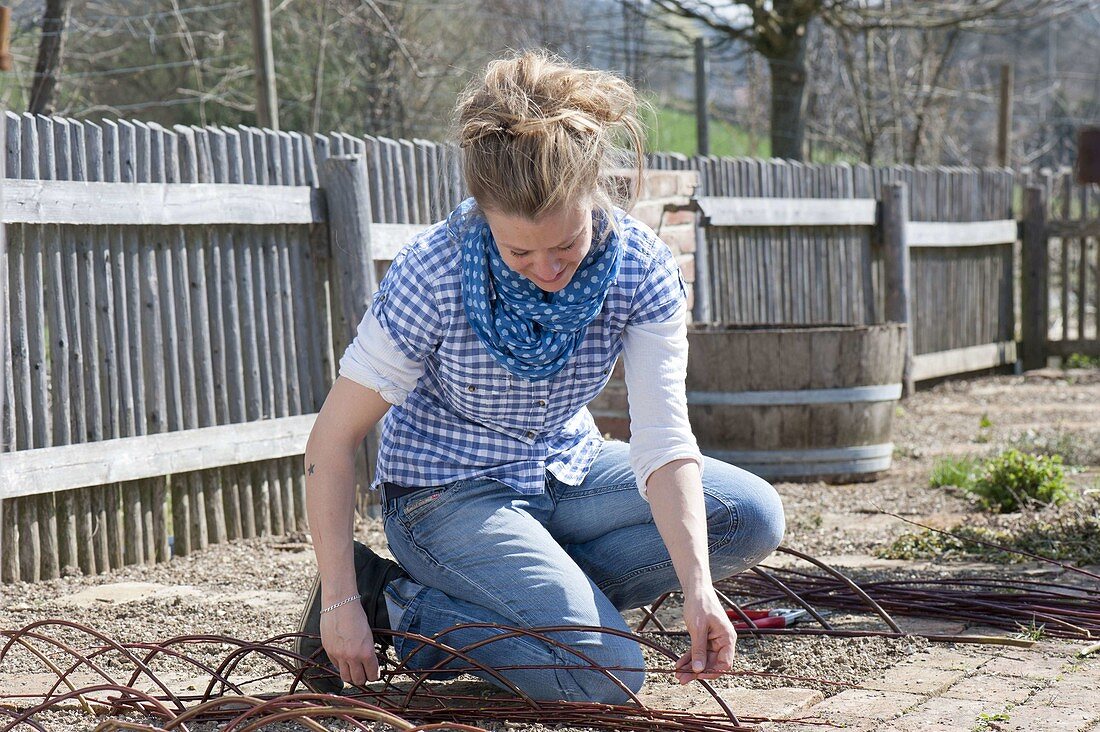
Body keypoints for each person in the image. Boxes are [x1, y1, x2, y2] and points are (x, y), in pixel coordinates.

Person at [296, 49, 785, 704]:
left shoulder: (640, 270)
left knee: (751, 515)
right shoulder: (433, 273)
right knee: (607, 676)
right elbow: (330, 443)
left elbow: (664, 442)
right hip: (446, 495)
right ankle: (400, 607)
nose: (548, 269)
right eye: (519, 250)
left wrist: (699, 589)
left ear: (596, 198)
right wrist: (341, 600)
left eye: (565, 245)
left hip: (568, 467)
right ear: (484, 216)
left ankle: (545, 610)